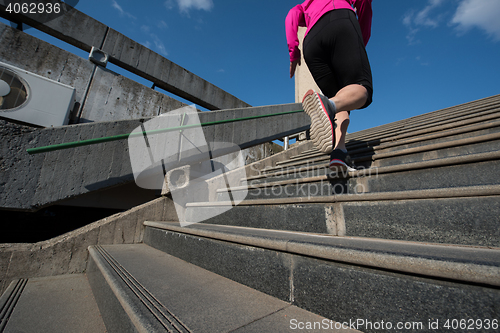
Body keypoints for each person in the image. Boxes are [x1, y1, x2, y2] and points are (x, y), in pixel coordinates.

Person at [286, 0, 373, 172]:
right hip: (340, 20)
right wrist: (357, 42)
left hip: (311, 43)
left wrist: (293, 52)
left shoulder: (307, 3)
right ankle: (328, 104)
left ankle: (339, 153)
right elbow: (364, 6)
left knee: (342, 100)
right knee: (362, 90)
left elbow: (291, 15)